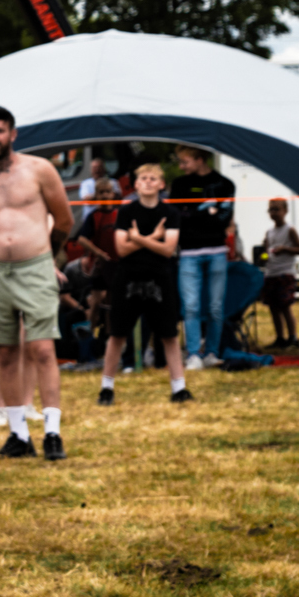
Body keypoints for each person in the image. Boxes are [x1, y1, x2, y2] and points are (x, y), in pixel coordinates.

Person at [0, 107, 76, 461]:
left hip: (36, 266)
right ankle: (18, 436)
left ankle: (53, 433)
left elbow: (64, 220)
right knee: (5, 353)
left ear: (13, 134)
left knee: (42, 349)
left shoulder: (39, 169)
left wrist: (46, 257)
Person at [100, 163, 188, 406]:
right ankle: (106, 387)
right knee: (117, 334)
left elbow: (168, 249)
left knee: (169, 334)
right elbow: (121, 249)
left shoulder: (171, 214)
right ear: (136, 184)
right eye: (143, 178)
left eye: (153, 179)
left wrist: (137, 238)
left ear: (161, 184)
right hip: (128, 277)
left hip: (160, 277)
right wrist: (149, 238)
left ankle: (179, 388)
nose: (148, 182)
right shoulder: (126, 212)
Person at [169, 147, 234, 369]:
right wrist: (207, 212)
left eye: (185, 162)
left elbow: (224, 220)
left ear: (200, 159)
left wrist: (194, 213)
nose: (181, 167)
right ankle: (194, 354)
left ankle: (212, 352)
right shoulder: (179, 185)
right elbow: (177, 217)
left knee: (216, 307)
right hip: (188, 253)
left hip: (217, 251)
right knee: (191, 306)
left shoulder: (225, 184)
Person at [259, 199, 299, 350]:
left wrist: (285, 249)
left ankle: (293, 337)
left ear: (285, 211)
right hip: (271, 273)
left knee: (285, 306)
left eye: (277, 209)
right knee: (273, 307)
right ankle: (280, 337)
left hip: (285, 272)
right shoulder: (269, 232)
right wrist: (263, 255)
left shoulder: (289, 229)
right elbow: (265, 252)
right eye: (271, 210)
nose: (274, 213)